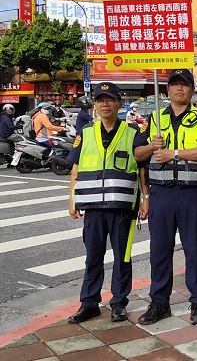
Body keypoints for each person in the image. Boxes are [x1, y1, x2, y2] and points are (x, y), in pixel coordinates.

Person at [134, 69, 197, 325]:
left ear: (192, 90)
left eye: (184, 85)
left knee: (194, 250)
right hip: (161, 195)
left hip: (191, 195)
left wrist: (175, 153)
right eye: (174, 85)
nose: (179, 89)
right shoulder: (155, 119)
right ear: (167, 90)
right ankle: (159, 303)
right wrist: (153, 146)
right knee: (159, 251)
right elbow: (138, 154)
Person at [66, 82, 148, 324]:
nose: (105, 104)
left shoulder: (133, 133)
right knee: (93, 256)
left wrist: (146, 198)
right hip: (92, 207)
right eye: (100, 100)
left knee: (122, 256)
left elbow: (142, 169)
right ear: (95, 105)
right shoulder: (86, 133)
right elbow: (76, 168)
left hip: (122, 207)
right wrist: (72, 198)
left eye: (110, 99)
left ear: (119, 104)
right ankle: (89, 303)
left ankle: (119, 303)